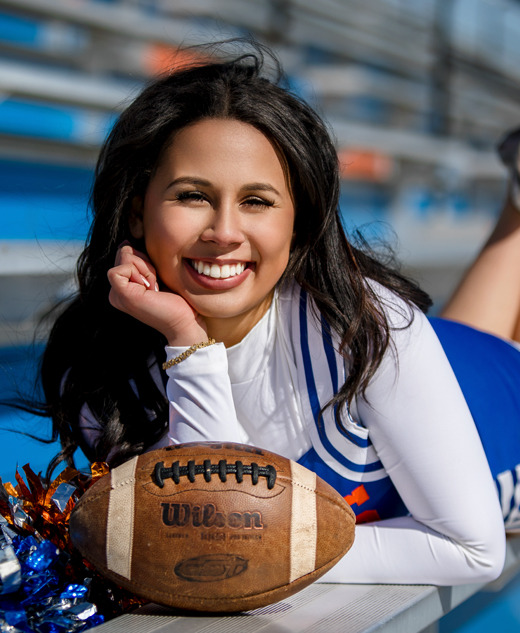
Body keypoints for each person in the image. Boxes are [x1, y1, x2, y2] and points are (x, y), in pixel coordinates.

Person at [34, 42, 520, 586]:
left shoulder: (369, 329)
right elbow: (209, 526)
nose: (222, 232)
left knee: (478, 347)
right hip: (431, 362)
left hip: (499, 413)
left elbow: (474, 552)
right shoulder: (101, 365)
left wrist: (268, 552)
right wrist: (186, 341)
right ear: (136, 213)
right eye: (192, 196)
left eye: (257, 201)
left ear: (299, 223)